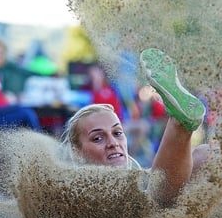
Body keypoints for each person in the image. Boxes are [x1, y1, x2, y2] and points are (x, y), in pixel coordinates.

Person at [61, 48, 207, 207]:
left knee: (205, 154)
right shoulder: (78, 194)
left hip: (156, 202)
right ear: (77, 151)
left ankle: (180, 122)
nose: (113, 142)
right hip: (138, 216)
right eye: (98, 138)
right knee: (156, 197)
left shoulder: (138, 179)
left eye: (117, 133)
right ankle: (179, 123)